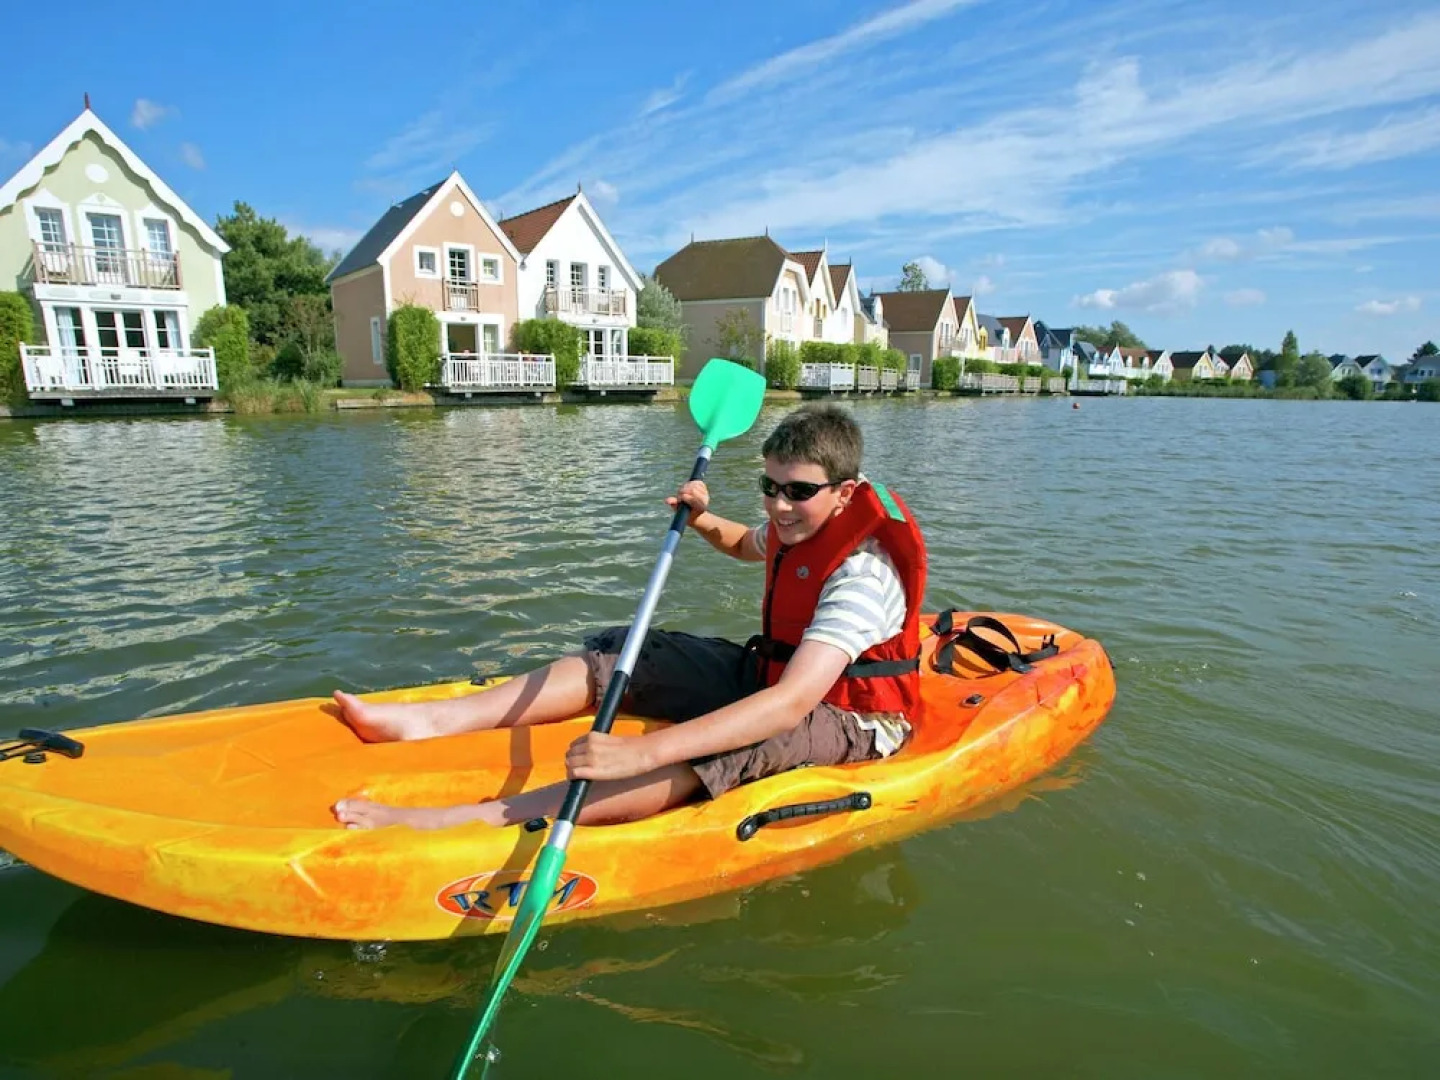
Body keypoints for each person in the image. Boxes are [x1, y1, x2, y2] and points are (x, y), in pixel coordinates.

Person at [331, 404, 927, 831]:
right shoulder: (798, 522)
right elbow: (748, 542)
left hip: (853, 719)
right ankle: (427, 722)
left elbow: (790, 705)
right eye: (768, 485)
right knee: (631, 652)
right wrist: (699, 518)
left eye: (795, 492)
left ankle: (470, 819)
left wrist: (641, 753)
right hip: (776, 677)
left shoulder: (862, 576)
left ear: (845, 494)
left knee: (739, 742)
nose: (777, 504)